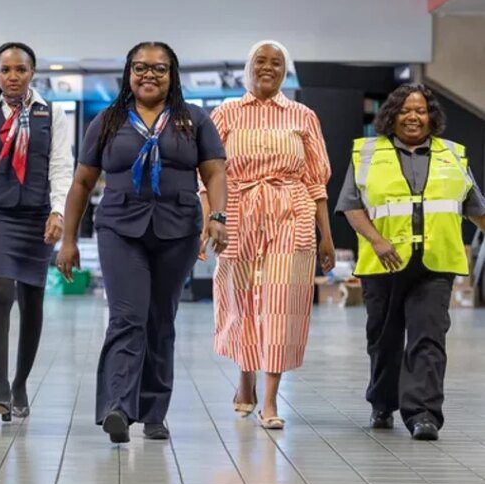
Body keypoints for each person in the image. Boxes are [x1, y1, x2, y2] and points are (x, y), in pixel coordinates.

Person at [57, 41, 228, 443]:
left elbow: (215, 173)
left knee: (160, 321)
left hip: (178, 229)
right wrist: (68, 239)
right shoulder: (106, 122)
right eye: (140, 68)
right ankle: (118, 406)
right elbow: (81, 183)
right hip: (119, 228)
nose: (149, 75)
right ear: (128, 74)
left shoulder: (194, 120)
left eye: (159, 68)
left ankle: (154, 411)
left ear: (173, 75)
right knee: (126, 316)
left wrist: (217, 217)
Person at [337, 84, 485, 442]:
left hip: (435, 265)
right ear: (392, 116)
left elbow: (475, 208)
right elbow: (351, 206)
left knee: (428, 339)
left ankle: (423, 415)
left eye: (420, 110)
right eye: (405, 110)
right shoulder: (368, 153)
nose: (414, 116)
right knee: (384, 340)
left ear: (431, 116)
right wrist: (377, 240)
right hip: (383, 263)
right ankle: (383, 403)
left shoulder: (453, 156)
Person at [206, 41, 335, 430]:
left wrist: (326, 235)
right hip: (239, 213)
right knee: (240, 298)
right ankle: (244, 378)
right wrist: (209, 222)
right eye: (260, 61)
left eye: (276, 63)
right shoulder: (225, 113)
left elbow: (316, 181)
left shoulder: (303, 116)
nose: (268, 68)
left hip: (290, 215)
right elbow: (209, 174)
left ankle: (271, 400)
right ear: (248, 68)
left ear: (285, 71)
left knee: (282, 303)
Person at [0, 42, 73, 422]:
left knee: (32, 301)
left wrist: (59, 212)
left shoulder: (52, 113)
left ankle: (21, 381)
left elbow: (61, 168)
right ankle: (0, 386)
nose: (13, 76)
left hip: (36, 217)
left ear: (32, 73)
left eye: (20, 70)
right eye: (6, 70)